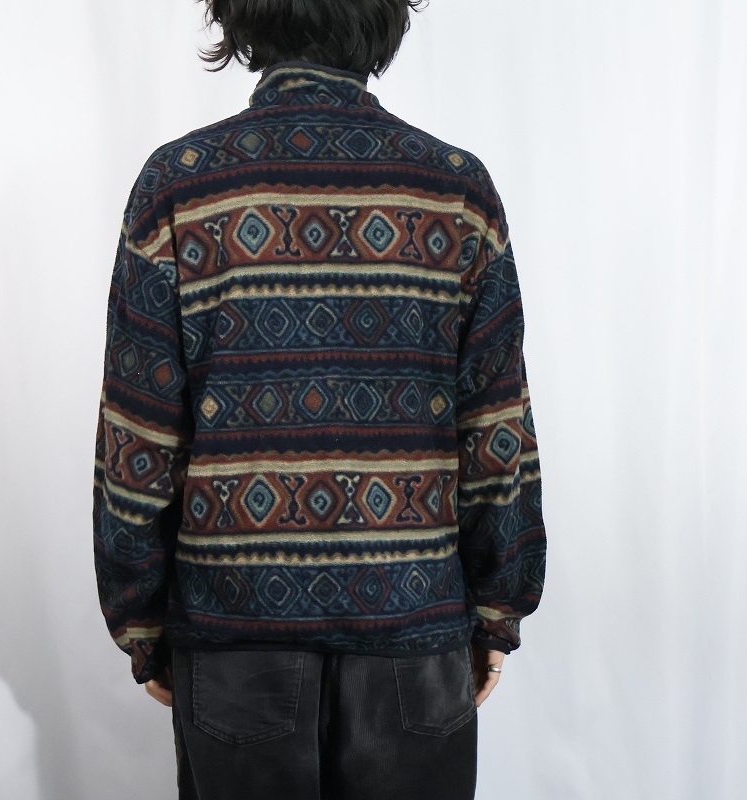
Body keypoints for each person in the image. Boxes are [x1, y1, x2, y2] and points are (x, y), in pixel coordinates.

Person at [92, 0, 547, 797]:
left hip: (235, 637)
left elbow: (137, 436)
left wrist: (141, 620)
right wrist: (497, 607)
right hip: (413, 628)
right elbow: (497, 430)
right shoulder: (455, 191)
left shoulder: (181, 184)